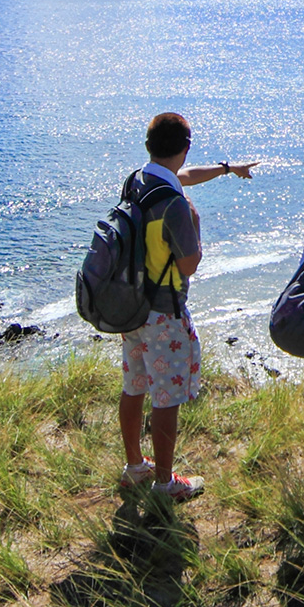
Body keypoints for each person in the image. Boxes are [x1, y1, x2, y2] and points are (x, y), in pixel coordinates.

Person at [117, 112, 259, 501]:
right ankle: (165, 484)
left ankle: (134, 467)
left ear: (149, 146)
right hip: (165, 312)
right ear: (186, 146)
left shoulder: (138, 180)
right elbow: (189, 264)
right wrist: (195, 221)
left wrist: (229, 169)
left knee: (134, 388)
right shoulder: (177, 207)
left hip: (132, 307)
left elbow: (184, 175)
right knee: (167, 399)